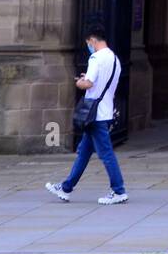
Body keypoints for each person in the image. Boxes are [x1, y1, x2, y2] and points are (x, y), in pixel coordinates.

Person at [45, 24, 128, 205]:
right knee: (84, 152)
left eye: (88, 43)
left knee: (106, 154)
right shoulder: (114, 59)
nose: (88, 46)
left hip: (95, 114)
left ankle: (118, 190)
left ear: (92, 40)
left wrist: (79, 82)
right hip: (105, 110)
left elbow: (89, 84)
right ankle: (66, 188)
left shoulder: (96, 58)